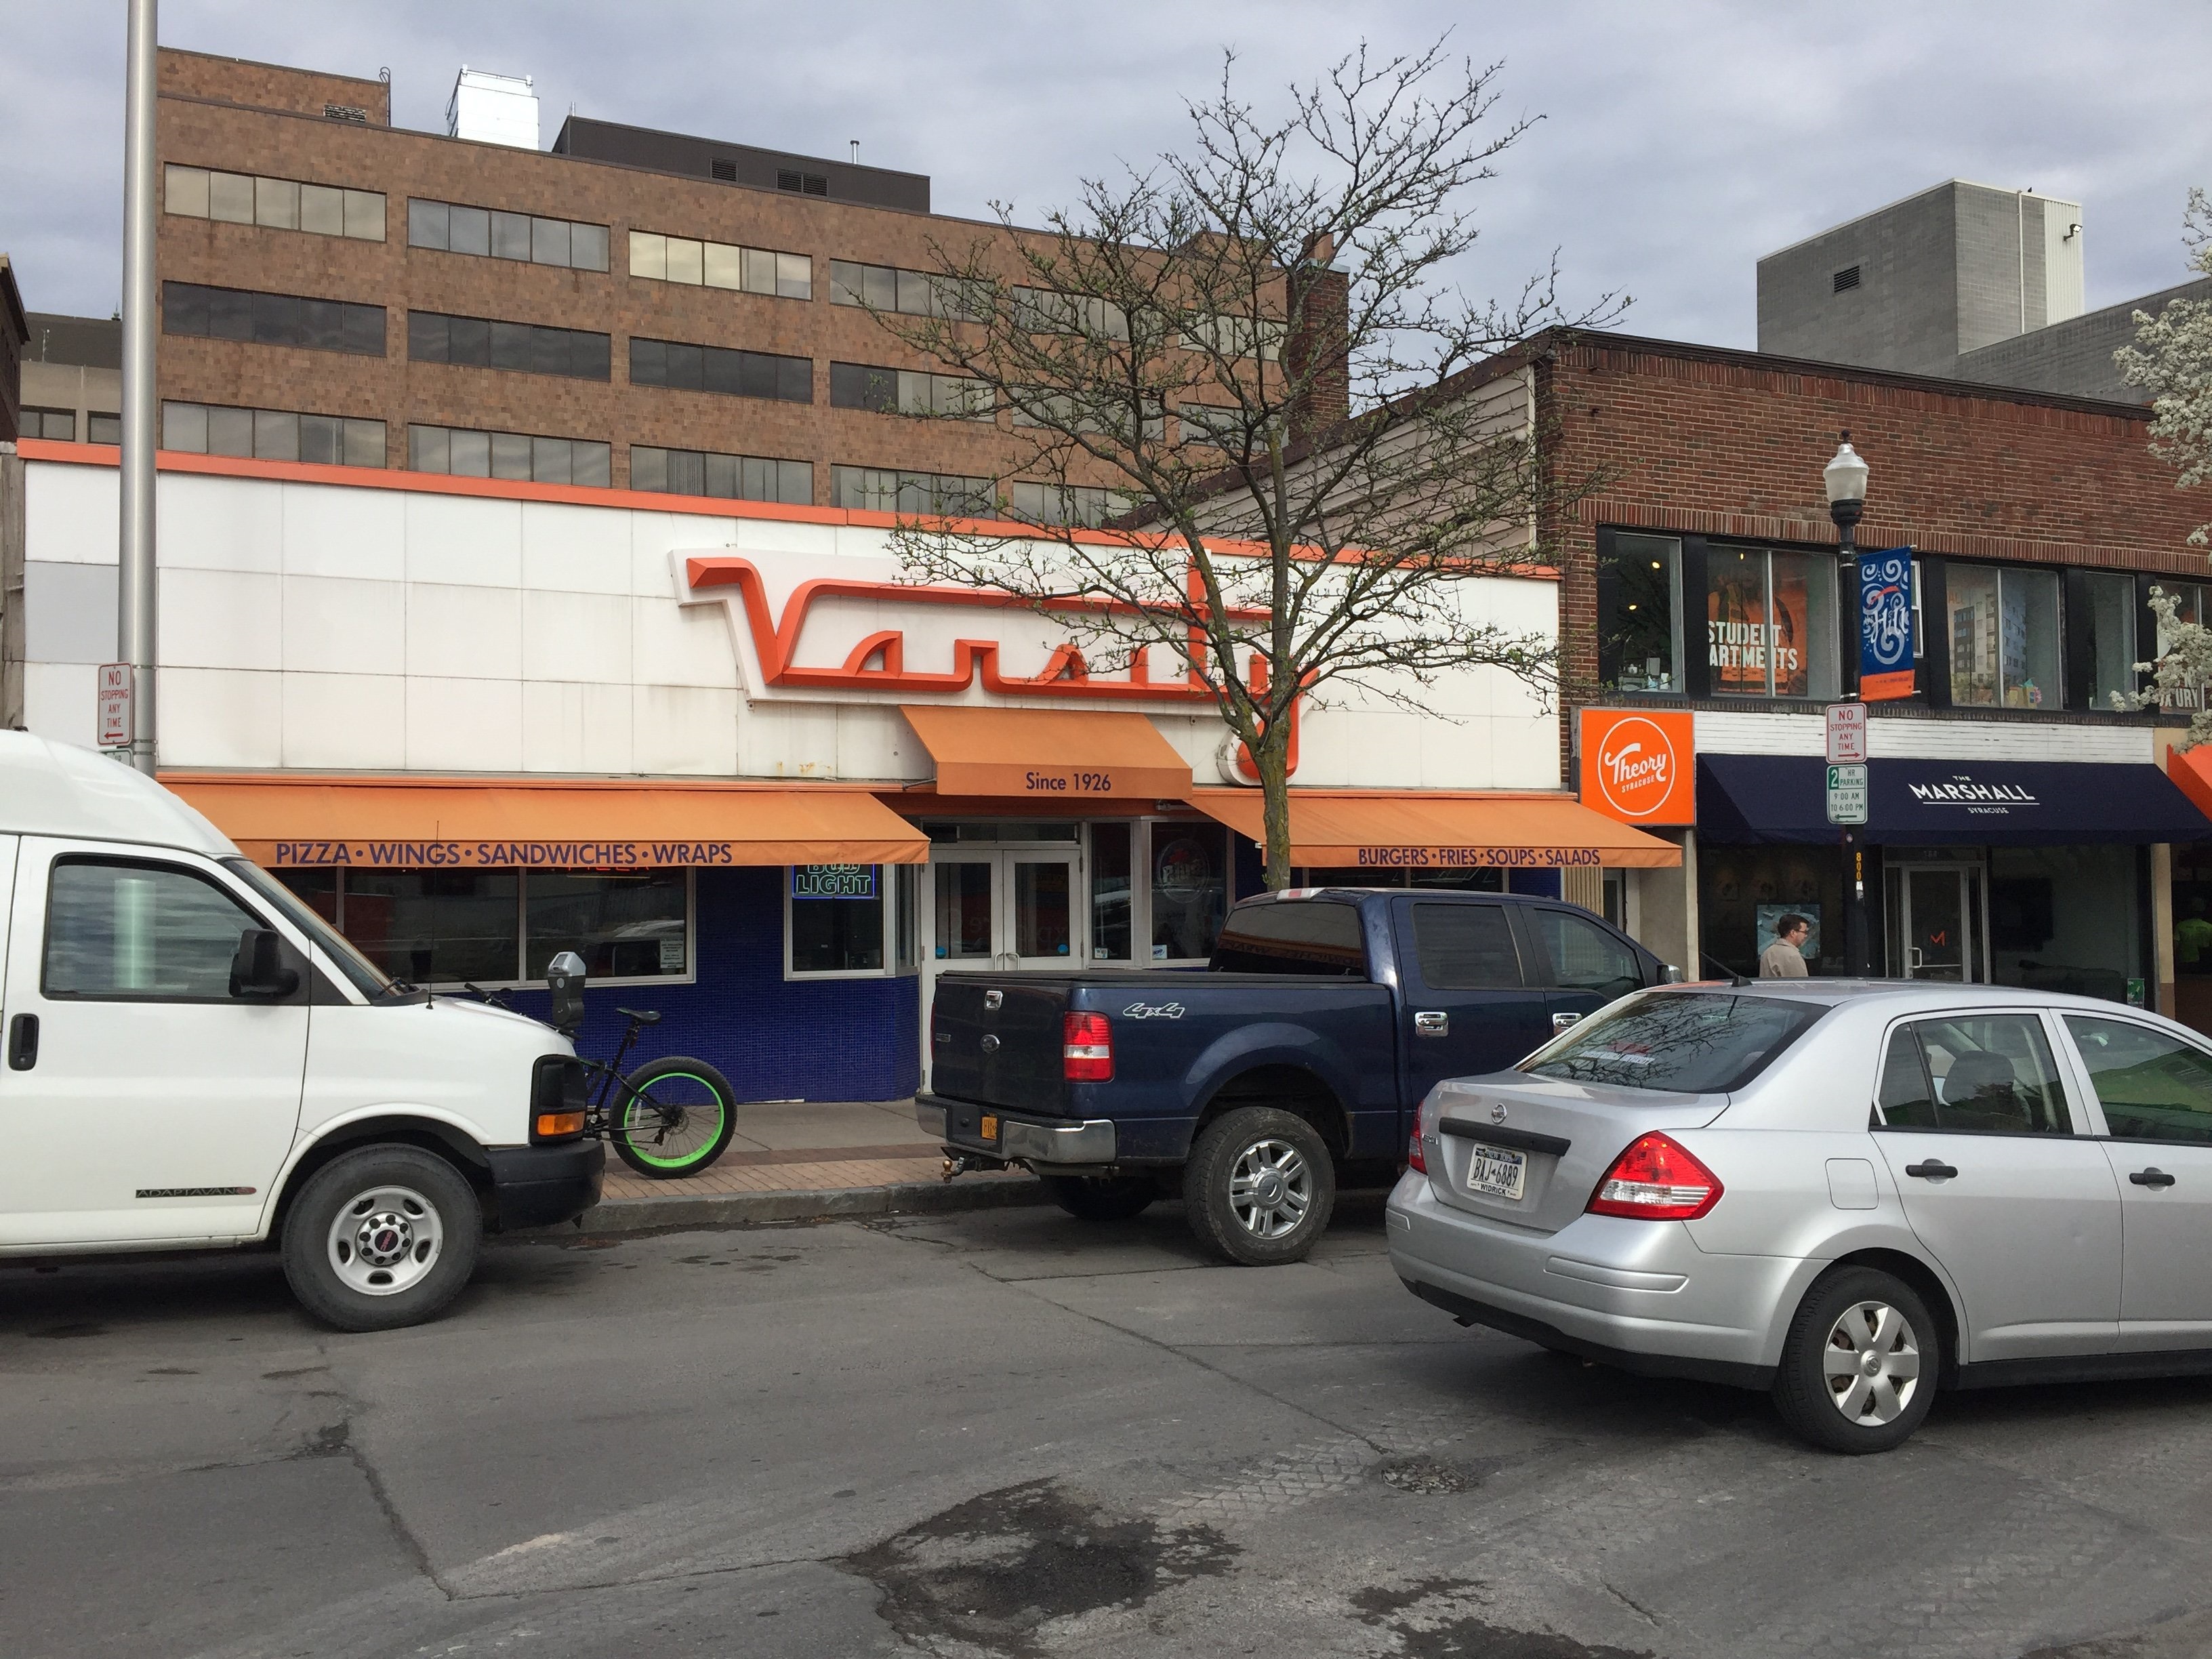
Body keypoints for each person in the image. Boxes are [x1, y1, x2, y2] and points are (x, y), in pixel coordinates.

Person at [1761, 914, 1811, 979]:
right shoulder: (1793, 956)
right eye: (1804, 932)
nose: (1806, 936)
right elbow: (1801, 985)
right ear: (1793, 933)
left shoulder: (1767, 952)